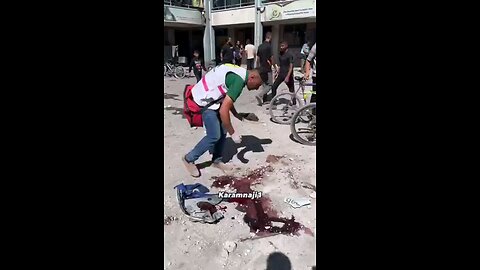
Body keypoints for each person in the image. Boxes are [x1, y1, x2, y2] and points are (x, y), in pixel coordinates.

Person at [182, 64, 264, 177]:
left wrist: (236, 115)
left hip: (211, 98)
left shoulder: (239, 73)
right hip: (203, 102)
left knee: (222, 130)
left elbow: (227, 100)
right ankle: (188, 159)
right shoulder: (239, 81)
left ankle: (216, 160)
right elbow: (223, 110)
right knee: (214, 135)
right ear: (253, 77)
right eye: (258, 85)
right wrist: (233, 133)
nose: (257, 88)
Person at [255, 32, 277, 106]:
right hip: (267, 68)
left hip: (261, 68)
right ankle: (260, 95)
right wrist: (275, 67)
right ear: (270, 37)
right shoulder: (269, 46)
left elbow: (257, 58)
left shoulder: (260, 46)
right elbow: (272, 58)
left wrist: (258, 68)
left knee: (264, 84)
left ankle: (264, 100)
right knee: (270, 85)